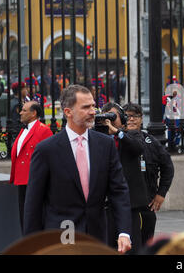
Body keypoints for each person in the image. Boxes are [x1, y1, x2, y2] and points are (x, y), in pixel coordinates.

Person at [23, 85, 132, 254]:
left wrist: (124, 231)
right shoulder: (47, 150)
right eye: (86, 107)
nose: (93, 112)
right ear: (68, 112)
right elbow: (33, 202)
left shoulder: (106, 144)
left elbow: (119, 191)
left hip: (97, 237)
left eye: (93, 106)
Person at [123, 103, 174, 246]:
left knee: (146, 244)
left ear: (141, 119)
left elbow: (168, 167)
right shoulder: (117, 140)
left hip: (147, 204)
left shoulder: (152, 142)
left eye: (135, 116)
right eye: (127, 116)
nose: (131, 119)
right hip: (124, 204)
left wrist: (161, 193)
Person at [101, 102, 147, 254]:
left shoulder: (131, 134)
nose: (110, 120)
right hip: (105, 203)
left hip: (129, 202)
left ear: (122, 118)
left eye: (113, 116)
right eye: (107, 116)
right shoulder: (98, 138)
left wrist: (116, 132)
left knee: (131, 245)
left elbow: (137, 147)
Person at [9, 101, 53, 233]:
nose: (20, 113)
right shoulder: (23, 130)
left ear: (34, 113)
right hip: (22, 180)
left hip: (35, 181)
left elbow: (50, 156)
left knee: (35, 217)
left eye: (23, 110)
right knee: (24, 216)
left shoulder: (43, 130)